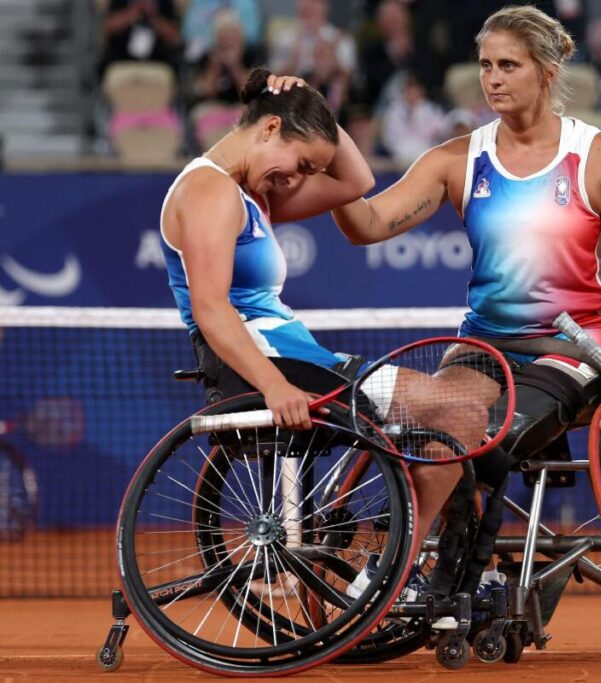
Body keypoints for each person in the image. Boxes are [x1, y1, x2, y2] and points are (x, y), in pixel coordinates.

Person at [333, 5, 601, 516]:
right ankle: (453, 575)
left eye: (509, 66)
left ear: (546, 72)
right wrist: (328, 150)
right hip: (487, 343)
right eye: (486, 65)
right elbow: (368, 225)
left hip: (576, 345)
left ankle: (447, 569)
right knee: (442, 432)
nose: (492, 79)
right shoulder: (457, 160)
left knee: (482, 439)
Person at [159, 67, 492, 564]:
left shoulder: (249, 194)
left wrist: (313, 105)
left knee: (457, 422)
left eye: (307, 171)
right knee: (459, 412)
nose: (296, 179)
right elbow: (210, 309)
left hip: (299, 360)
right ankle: (398, 569)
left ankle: (433, 568)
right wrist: (273, 385)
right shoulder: (209, 192)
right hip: (276, 365)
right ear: (269, 128)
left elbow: (357, 181)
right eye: (299, 164)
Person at [98, 0, 182, 77]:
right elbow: (107, 27)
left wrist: (153, 18)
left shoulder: (164, 2)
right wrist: (133, 12)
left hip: (157, 60)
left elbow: (175, 37)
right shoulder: (120, 1)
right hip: (122, 58)